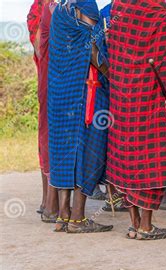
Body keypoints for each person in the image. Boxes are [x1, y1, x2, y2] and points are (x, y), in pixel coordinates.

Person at [107, 0, 166, 240]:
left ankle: (134, 223)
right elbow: (165, 58)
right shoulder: (159, 12)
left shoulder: (118, 7)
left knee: (125, 154)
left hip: (120, 95)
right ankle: (146, 226)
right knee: (152, 154)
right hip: (149, 95)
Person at [48, 0, 112, 233]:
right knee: (87, 152)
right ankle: (78, 218)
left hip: (58, 93)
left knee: (63, 152)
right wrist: (113, 77)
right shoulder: (86, 4)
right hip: (86, 92)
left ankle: (63, 216)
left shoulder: (59, 10)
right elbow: (92, 47)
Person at [27, 0, 59, 223]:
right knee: (53, 138)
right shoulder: (45, 7)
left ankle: (48, 201)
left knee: (46, 136)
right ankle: (51, 205)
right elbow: (40, 45)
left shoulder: (39, 7)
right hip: (54, 82)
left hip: (46, 81)